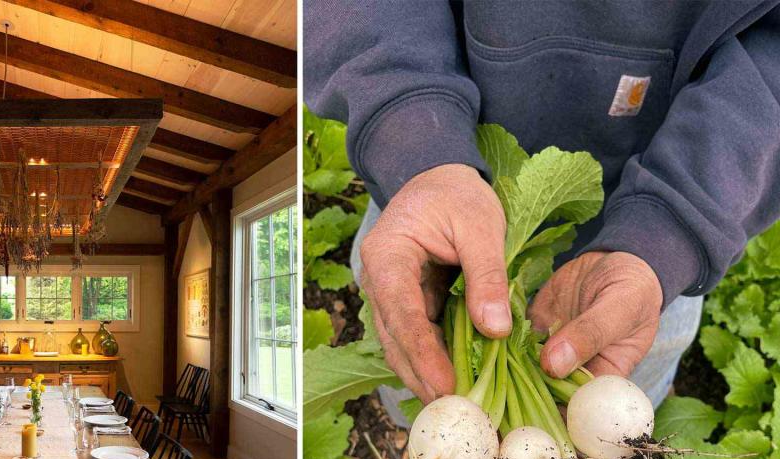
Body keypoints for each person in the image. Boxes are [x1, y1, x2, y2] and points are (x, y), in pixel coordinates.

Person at [304, 0, 780, 413]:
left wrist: (674, 230)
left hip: (665, 212)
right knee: (415, 345)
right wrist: (411, 140)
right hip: (431, 187)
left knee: (634, 366)